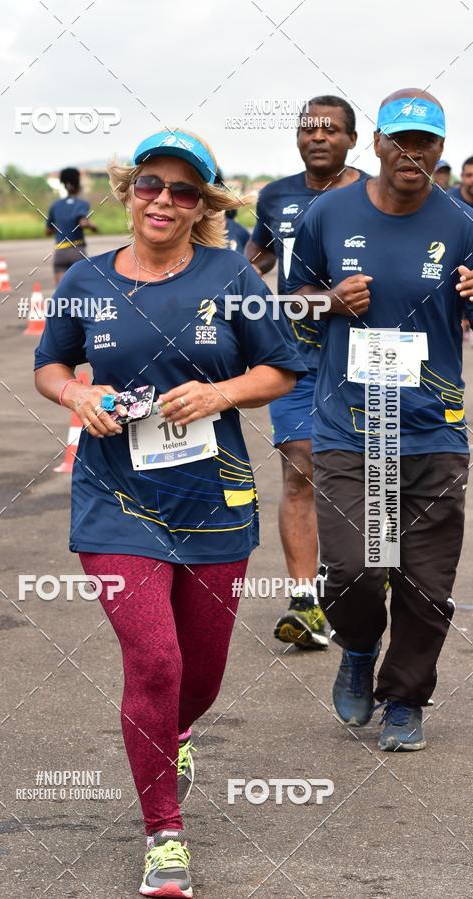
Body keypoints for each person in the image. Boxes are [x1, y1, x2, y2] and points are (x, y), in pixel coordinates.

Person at [34, 130, 306, 897]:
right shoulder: (85, 279)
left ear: (203, 206)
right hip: (116, 499)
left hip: (215, 500)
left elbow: (283, 368)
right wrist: (77, 393)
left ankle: (177, 732)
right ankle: (164, 833)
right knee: (154, 660)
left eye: (184, 190)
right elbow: (50, 363)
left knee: (201, 674)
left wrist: (221, 393)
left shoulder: (231, 276)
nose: (164, 199)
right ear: (127, 192)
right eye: (151, 183)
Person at [287, 88, 473, 752]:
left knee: (426, 585)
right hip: (349, 428)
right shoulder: (329, 213)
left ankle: (404, 699)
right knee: (357, 568)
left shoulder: (462, 221)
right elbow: (289, 302)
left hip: (433, 427)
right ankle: (359, 647)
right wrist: (328, 301)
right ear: (377, 144)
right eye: (400, 139)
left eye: (425, 142)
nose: (411, 153)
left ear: (440, 150)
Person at [245, 96, 368, 650]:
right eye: (307, 129)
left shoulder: (375, 194)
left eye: (330, 130)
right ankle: (304, 601)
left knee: (364, 478)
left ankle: (351, 586)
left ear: (352, 139)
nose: (317, 137)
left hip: (363, 356)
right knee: (300, 469)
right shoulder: (275, 196)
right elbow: (256, 260)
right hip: (293, 355)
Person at [46, 167, 98, 285]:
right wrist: (92, 226)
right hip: (77, 252)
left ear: (63, 184)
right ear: (78, 184)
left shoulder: (55, 205)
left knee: (61, 295)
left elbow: (48, 231)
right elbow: (83, 223)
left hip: (60, 253)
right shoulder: (82, 204)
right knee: (80, 293)